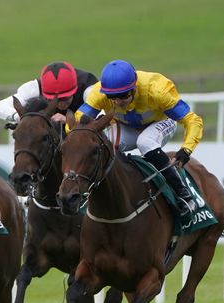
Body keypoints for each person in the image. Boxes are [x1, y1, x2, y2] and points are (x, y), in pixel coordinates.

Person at [75, 59, 202, 217]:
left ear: (134, 88)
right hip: (126, 126)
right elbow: (77, 121)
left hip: (162, 121)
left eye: (122, 95)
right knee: (103, 144)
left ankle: (184, 195)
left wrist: (186, 150)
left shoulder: (158, 90)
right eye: (111, 97)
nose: (117, 102)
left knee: (145, 142)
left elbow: (193, 120)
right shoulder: (98, 93)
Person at [0, 61, 99, 124]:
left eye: (65, 98)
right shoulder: (35, 87)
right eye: (54, 100)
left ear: (75, 89)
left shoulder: (88, 87)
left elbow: (104, 116)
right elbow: (0, 106)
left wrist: (71, 120)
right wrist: (18, 116)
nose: (61, 104)